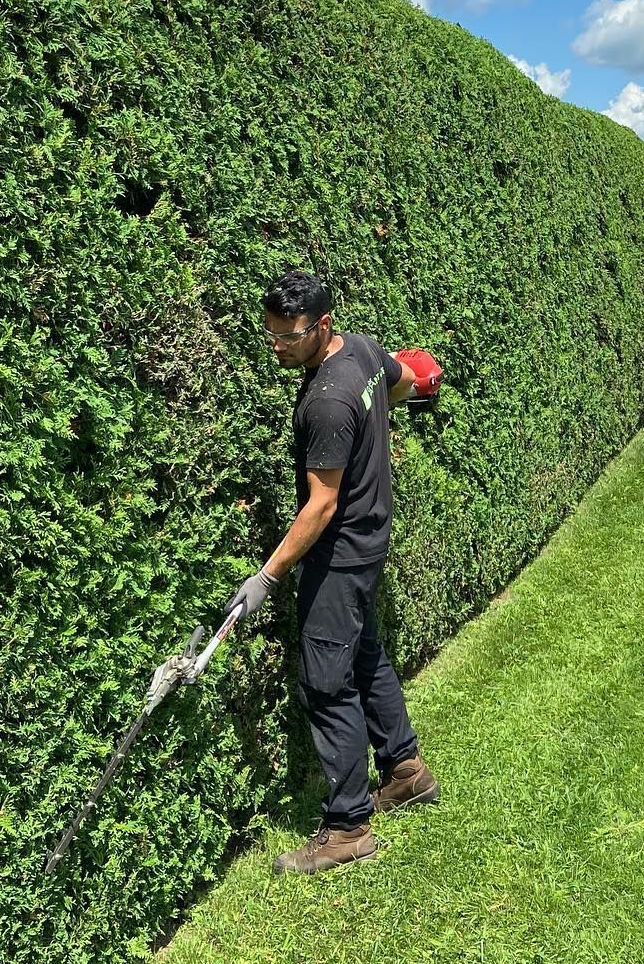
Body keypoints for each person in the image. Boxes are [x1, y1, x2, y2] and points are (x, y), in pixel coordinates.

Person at [222, 268, 439, 874]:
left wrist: (267, 575)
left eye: (288, 335)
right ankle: (405, 771)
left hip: (340, 552)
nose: (277, 346)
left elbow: (320, 503)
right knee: (365, 651)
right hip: (373, 536)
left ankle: (347, 825)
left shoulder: (326, 401)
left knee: (325, 679)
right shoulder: (365, 351)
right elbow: (402, 383)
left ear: (323, 326)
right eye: (270, 333)